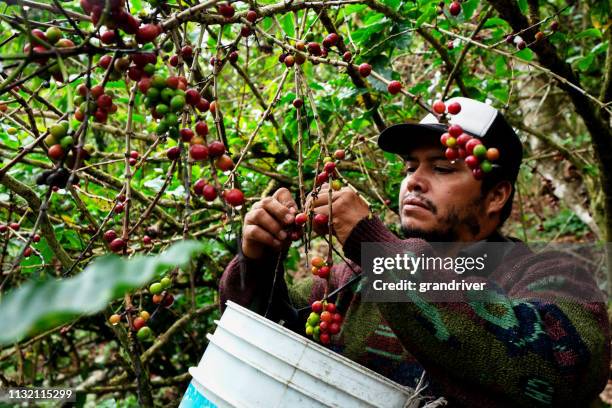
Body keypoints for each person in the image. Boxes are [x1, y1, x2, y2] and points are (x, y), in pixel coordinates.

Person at [219, 97, 610, 407]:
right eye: (409, 167)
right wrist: (257, 264)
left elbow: (556, 370)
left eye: (441, 168)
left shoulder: (555, 276)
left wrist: (373, 246)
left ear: (496, 195)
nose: (414, 182)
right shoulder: (351, 282)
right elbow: (270, 351)